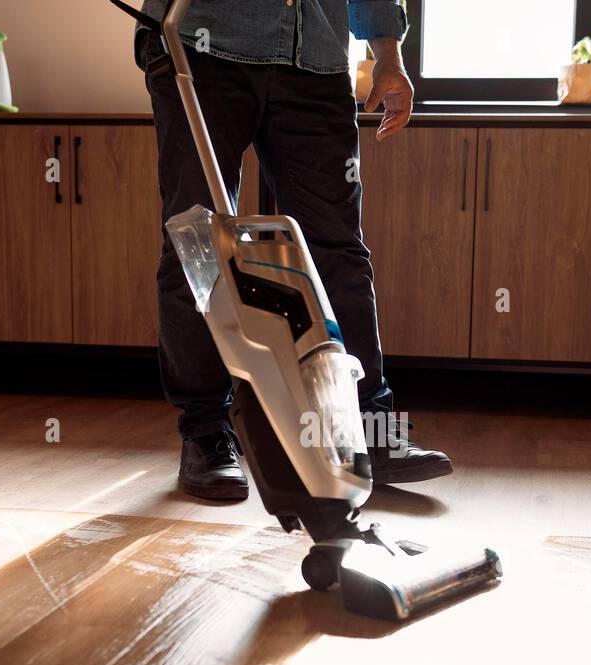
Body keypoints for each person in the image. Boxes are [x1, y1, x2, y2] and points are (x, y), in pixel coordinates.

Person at [134, 0, 453, 501]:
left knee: (337, 251)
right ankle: (207, 432)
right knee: (199, 244)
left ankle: (367, 424)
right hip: (203, 46)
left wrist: (388, 55)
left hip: (317, 62)